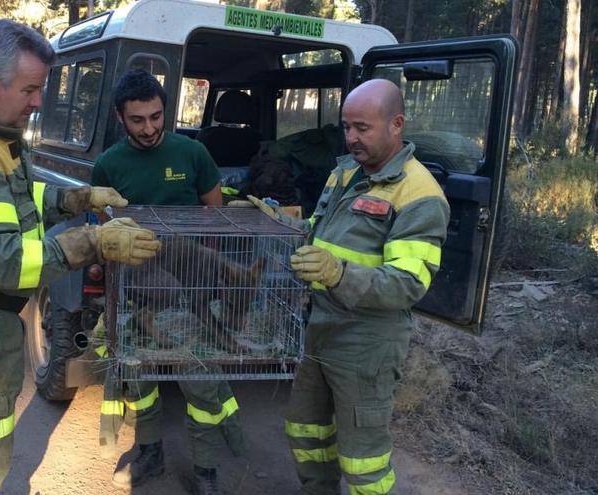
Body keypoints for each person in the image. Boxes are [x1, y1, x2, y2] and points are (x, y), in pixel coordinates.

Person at [0, 20, 160, 495]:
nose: (39, 101)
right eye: (31, 88)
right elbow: (3, 263)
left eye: (41, 88)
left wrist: (77, 199)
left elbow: (18, 197)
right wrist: (96, 242)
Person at [255, 79, 450, 494]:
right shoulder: (345, 172)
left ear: (396, 124)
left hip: (367, 342)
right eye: (346, 127)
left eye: (362, 127)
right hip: (321, 327)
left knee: (364, 460)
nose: (351, 137)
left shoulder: (419, 195)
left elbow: (407, 284)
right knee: (306, 432)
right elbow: (317, 235)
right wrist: (271, 219)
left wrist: (337, 274)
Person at [91, 69, 245, 495]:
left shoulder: (192, 154)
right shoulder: (108, 165)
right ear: (121, 118)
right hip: (136, 288)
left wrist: (207, 278)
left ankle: (206, 469)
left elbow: (215, 217)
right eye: (137, 120)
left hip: (188, 286)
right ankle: (150, 452)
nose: (149, 128)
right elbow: (103, 234)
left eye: (156, 117)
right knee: (139, 380)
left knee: (201, 379)